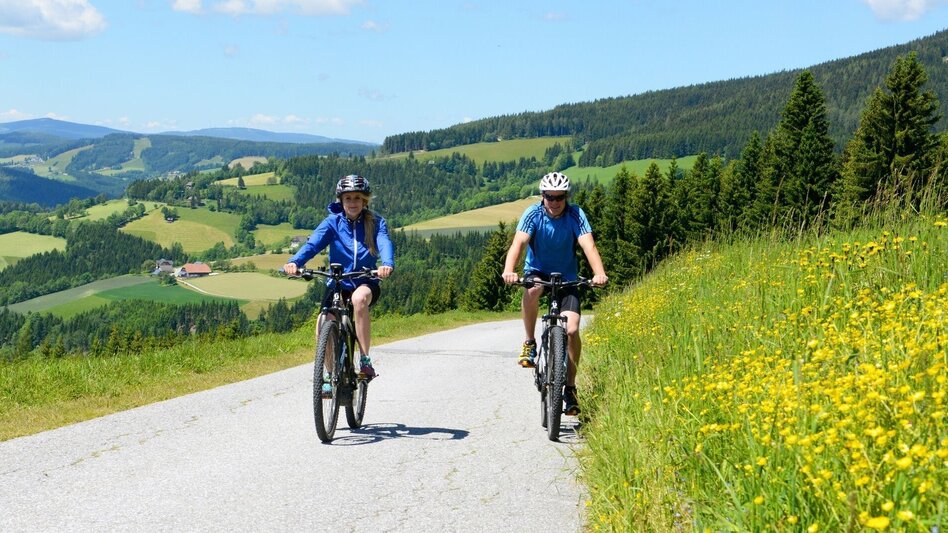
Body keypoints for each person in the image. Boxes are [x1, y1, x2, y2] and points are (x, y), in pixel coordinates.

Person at [501, 172, 608, 416]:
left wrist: (599, 273)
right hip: (537, 271)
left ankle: (570, 389)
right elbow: (518, 244)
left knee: (571, 330)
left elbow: (588, 245)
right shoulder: (533, 213)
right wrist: (509, 270)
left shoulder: (575, 215)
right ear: (543, 196)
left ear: (566, 196)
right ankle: (529, 343)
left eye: (560, 197)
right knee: (534, 288)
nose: (555, 201)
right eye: (550, 196)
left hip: (567, 277)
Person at [283, 174, 394, 384]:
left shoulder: (376, 223)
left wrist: (386, 264)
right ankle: (328, 374)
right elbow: (312, 245)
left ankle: (365, 360)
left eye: (357, 198)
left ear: (364, 201)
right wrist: (295, 263)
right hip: (338, 281)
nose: (352, 203)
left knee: (359, 300)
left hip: (365, 279)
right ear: (341, 201)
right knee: (324, 321)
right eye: (348, 198)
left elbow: (385, 243)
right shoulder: (332, 223)